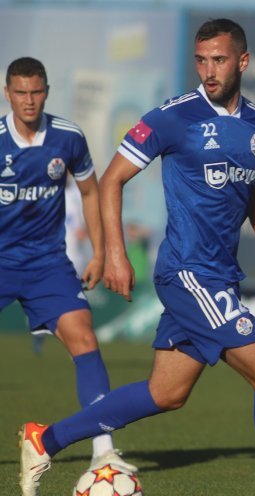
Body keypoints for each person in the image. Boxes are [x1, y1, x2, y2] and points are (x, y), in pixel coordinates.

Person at [18, 19, 255, 496]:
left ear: (243, 61)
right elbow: (111, 180)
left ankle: (46, 439)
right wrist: (116, 254)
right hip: (187, 274)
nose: (208, 70)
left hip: (221, 275)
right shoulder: (175, 117)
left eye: (219, 60)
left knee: (165, 393)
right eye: (201, 60)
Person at [1, 57, 136, 472]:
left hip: (47, 264)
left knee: (85, 339)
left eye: (36, 91)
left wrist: (99, 252)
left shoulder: (68, 138)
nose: (29, 100)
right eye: (21, 92)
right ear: (8, 93)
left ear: (46, 91)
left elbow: (92, 193)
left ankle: (103, 453)